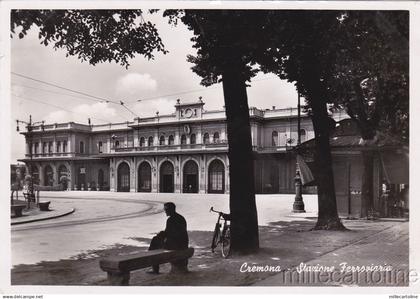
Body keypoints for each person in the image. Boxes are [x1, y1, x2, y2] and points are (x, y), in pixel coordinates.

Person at [147, 202, 189, 274]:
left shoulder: (171, 220)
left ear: (170, 209)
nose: (165, 211)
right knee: (156, 240)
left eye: (166, 209)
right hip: (183, 244)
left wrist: (160, 235)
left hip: (176, 245)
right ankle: (154, 267)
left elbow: (168, 234)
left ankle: (155, 269)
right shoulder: (180, 217)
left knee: (154, 243)